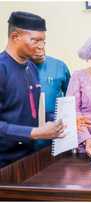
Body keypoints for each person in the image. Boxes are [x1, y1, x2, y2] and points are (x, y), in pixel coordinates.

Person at [0, 11, 65, 168]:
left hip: (29, 157)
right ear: (15, 37)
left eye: (43, 41)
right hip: (4, 162)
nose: (41, 46)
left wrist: (64, 120)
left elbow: (35, 113)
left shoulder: (31, 68)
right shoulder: (2, 69)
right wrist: (34, 133)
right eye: (35, 40)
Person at [30, 34, 71, 150]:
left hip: (56, 136)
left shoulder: (59, 66)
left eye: (42, 43)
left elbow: (71, 99)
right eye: (34, 43)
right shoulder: (11, 68)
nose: (40, 48)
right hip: (24, 138)